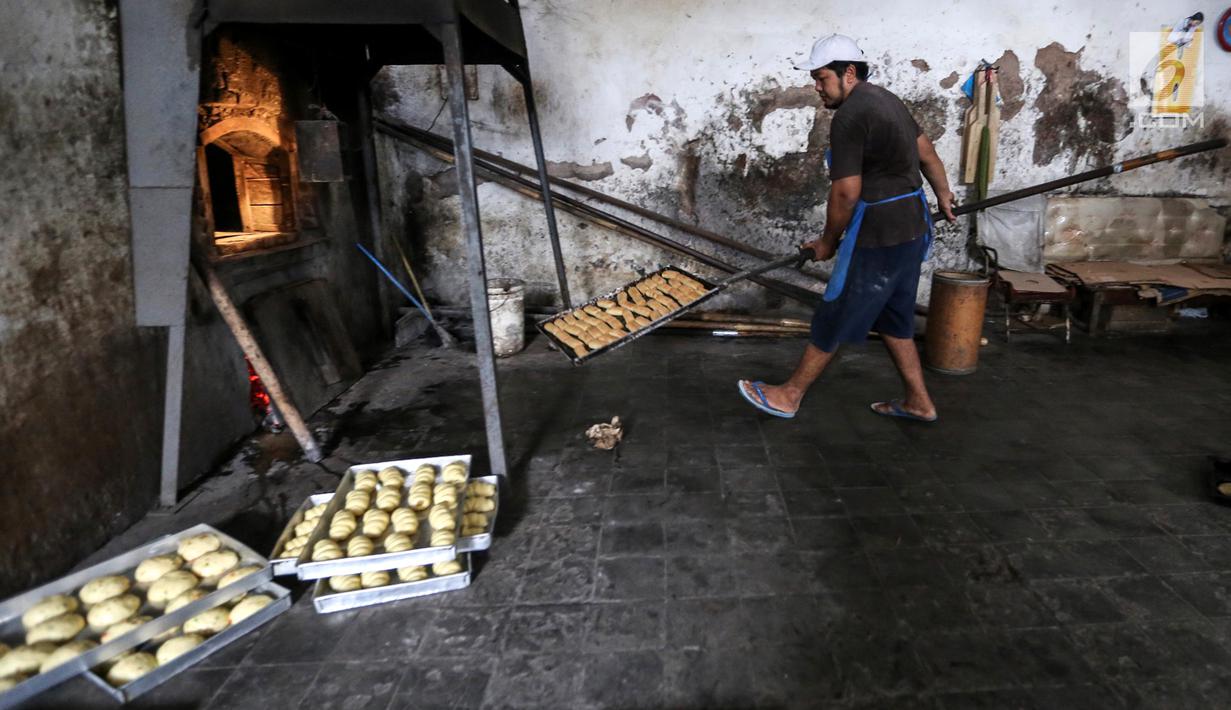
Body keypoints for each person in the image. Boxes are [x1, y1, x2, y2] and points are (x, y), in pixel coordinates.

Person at [738, 34, 956, 422]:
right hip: (912, 228)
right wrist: (943, 195)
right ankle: (919, 402)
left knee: (835, 311)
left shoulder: (851, 116)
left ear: (848, 73)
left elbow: (845, 193)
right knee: (894, 317)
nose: (817, 88)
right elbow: (927, 153)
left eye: (822, 79)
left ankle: (789, 395)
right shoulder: (887, 100)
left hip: (879, 232)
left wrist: (827, 242)